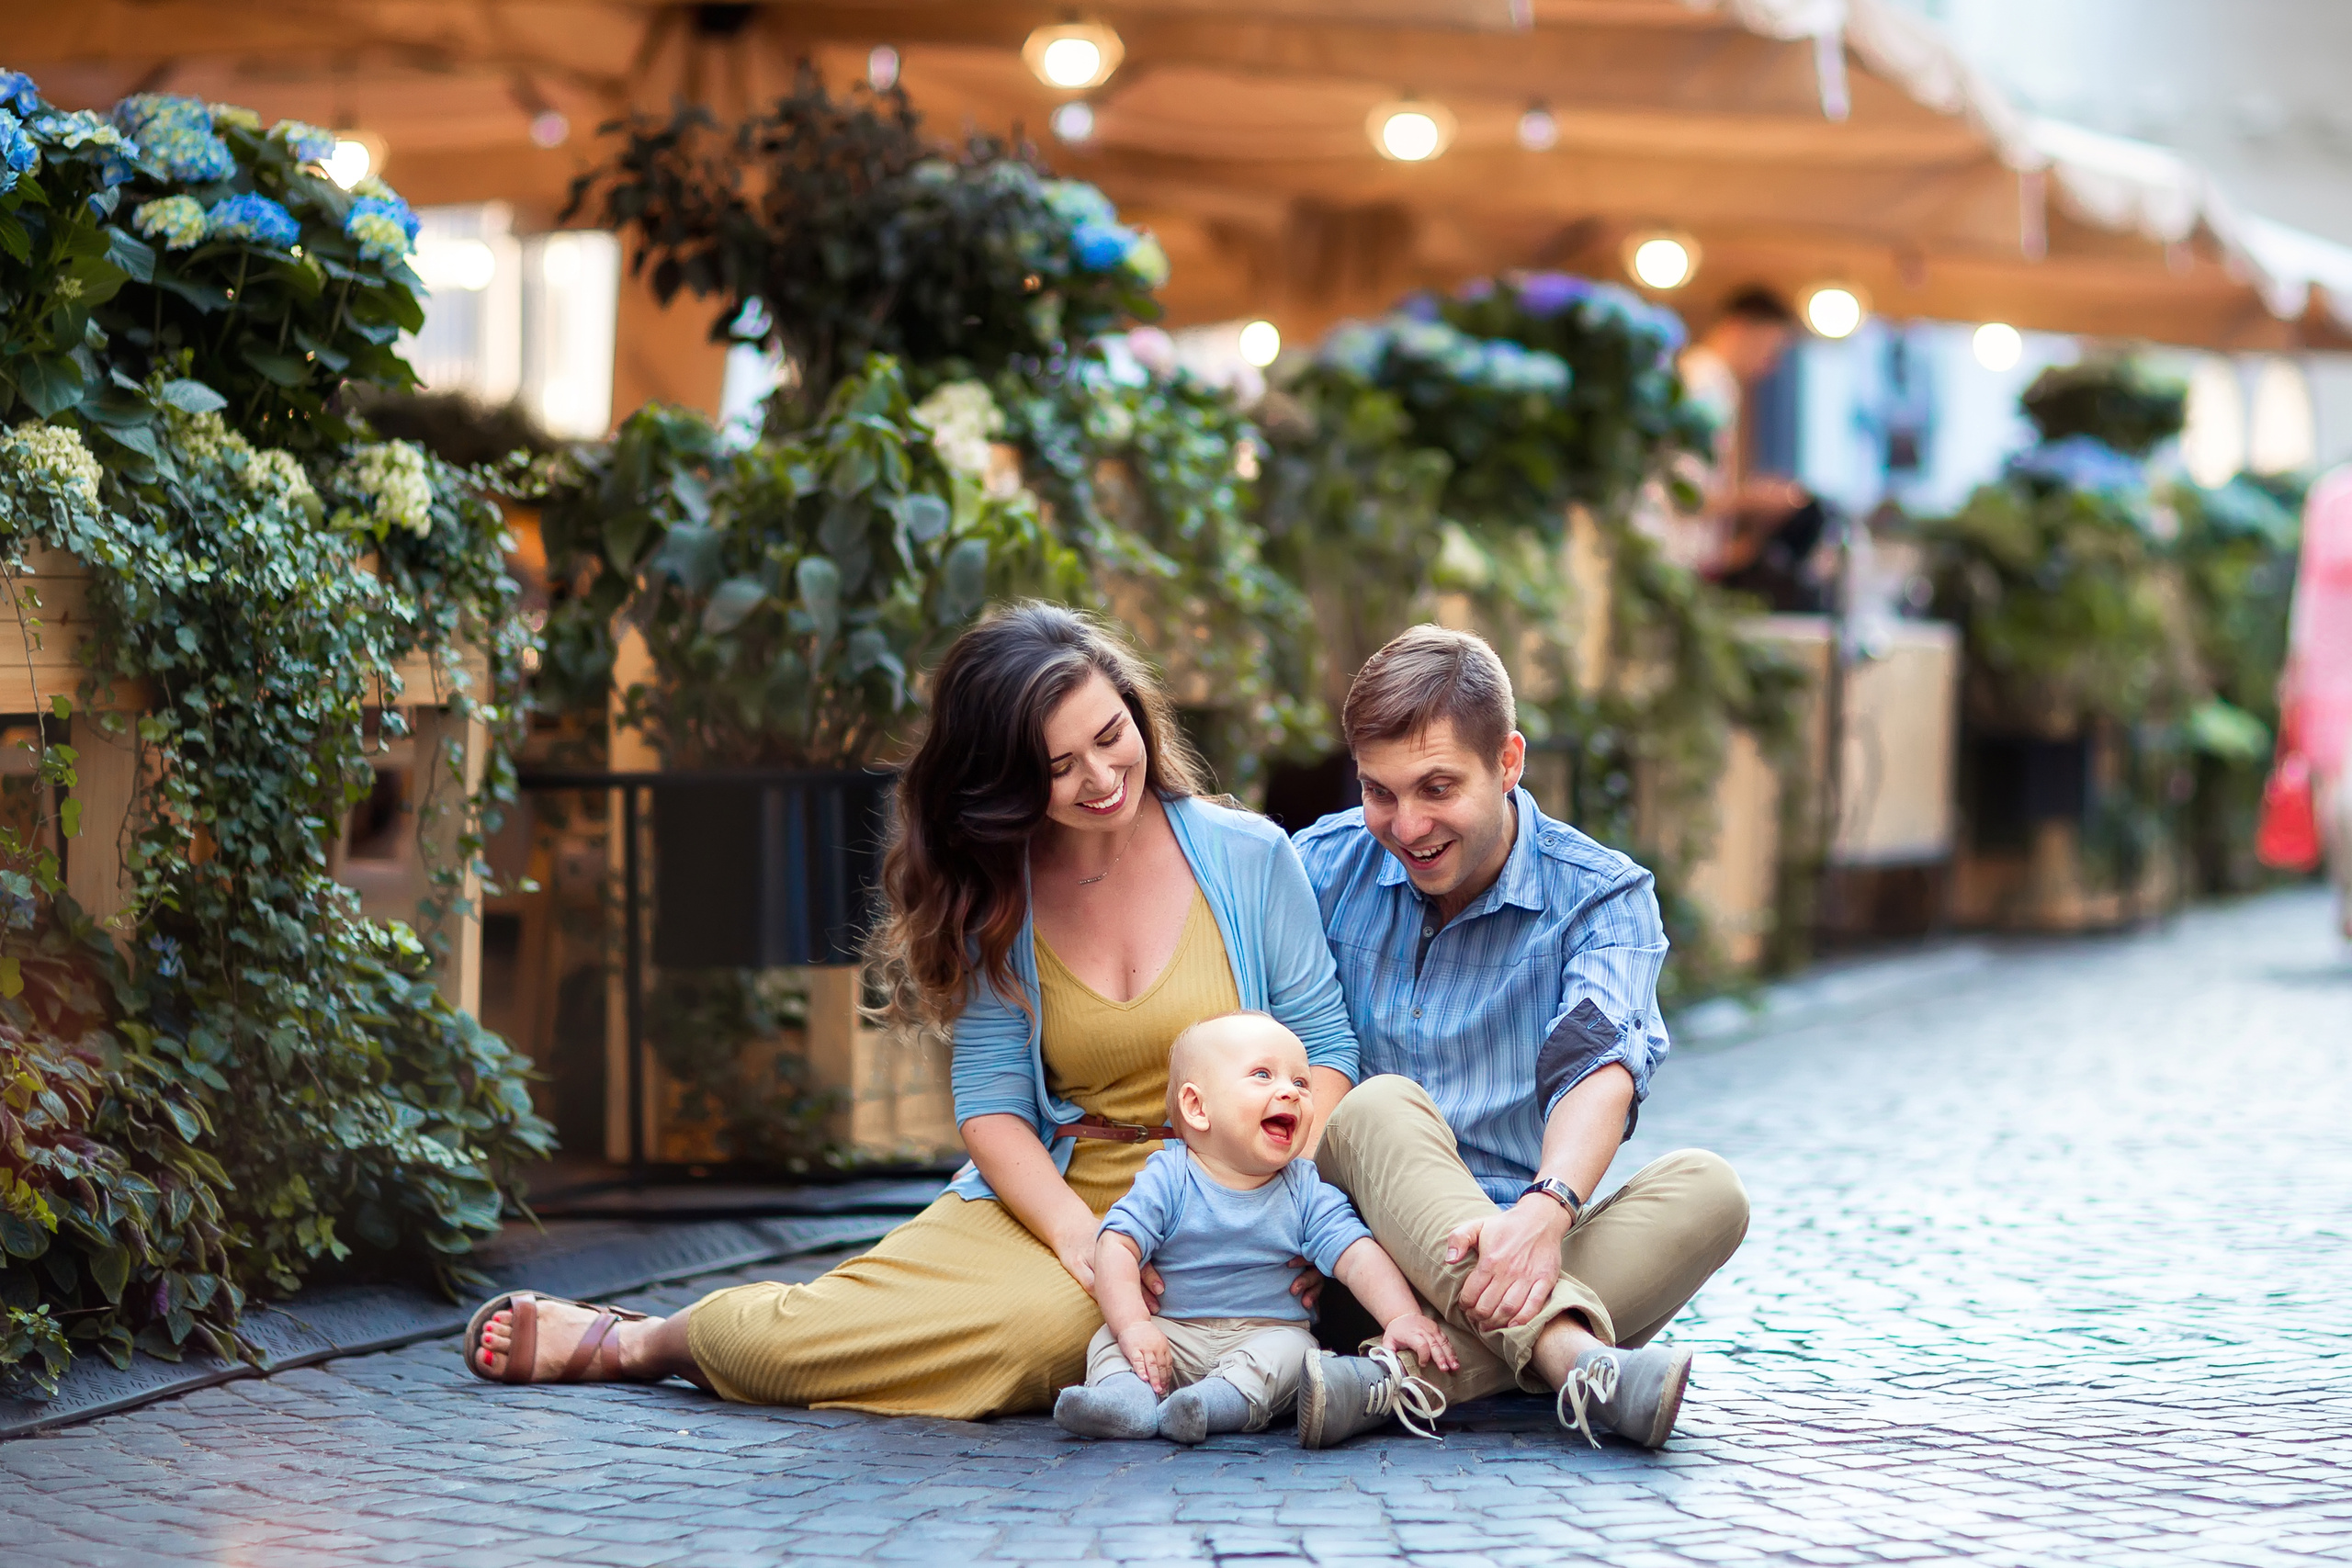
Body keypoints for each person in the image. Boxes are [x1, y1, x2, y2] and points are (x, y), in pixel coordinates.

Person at [464, 603, 1360, 1415]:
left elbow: (1324, 1046)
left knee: (1037, 1343)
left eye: (1109, 734)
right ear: (1007, 780)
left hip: (1226, 1196)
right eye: (1057, 766)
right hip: (1059, 1196)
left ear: (1135, 711)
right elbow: (994, 1108)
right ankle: (650, 1341)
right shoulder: (997, 894)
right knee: (1000, 1328)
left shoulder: (1248, 856)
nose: (1099, 777)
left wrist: (1278, 1202)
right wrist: (1083, 1242)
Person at [1294, 625, 1750, 1450]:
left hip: (1531, 1245)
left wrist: (1547, 1208)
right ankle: (1574, 1354)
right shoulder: (1321, 866)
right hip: (1360, 1259)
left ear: (1508, 761)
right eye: (1380, 792)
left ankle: (1396, 1380)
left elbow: (1599, 1061)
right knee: (1377, 1107)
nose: (1405, 824)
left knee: (1711, 1190)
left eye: (1437, 787)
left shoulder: (1600, 896)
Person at [1054, 1010, 1455, 1445]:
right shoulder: (1168, 1177)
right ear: (1198, 1107)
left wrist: (1401, 1316)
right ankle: (1124, 1399)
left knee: (1296, 1353)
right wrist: (1133, 1325)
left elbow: (1357, 1255)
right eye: (1263, 1075)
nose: (1290, 1092)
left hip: (1265, 1334)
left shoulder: (1304, 1188)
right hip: (1172, 1333)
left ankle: (1210, 1406)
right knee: (1108, 1340)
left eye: (1301, 1083)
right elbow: (1116, 1245)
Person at [1677, 285, 1824, 608]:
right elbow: (1682, 494)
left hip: (1690, 568)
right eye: (1771, 349)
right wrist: (1759, 498)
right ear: (1740, 327)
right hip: (1675, 567)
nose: (1770, 365)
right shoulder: (1703, 382)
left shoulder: (1713, 382)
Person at [2284, 466, 2352, 938]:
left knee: (2339, 794)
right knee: (2337, 795)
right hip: (2328, 667)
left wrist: (2296, 662)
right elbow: (2307, 587)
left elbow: (2304, 590)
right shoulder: (2329, 496)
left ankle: (2347, 896)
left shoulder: (2326, 495)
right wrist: (2297, 666)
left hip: (2325, 664)